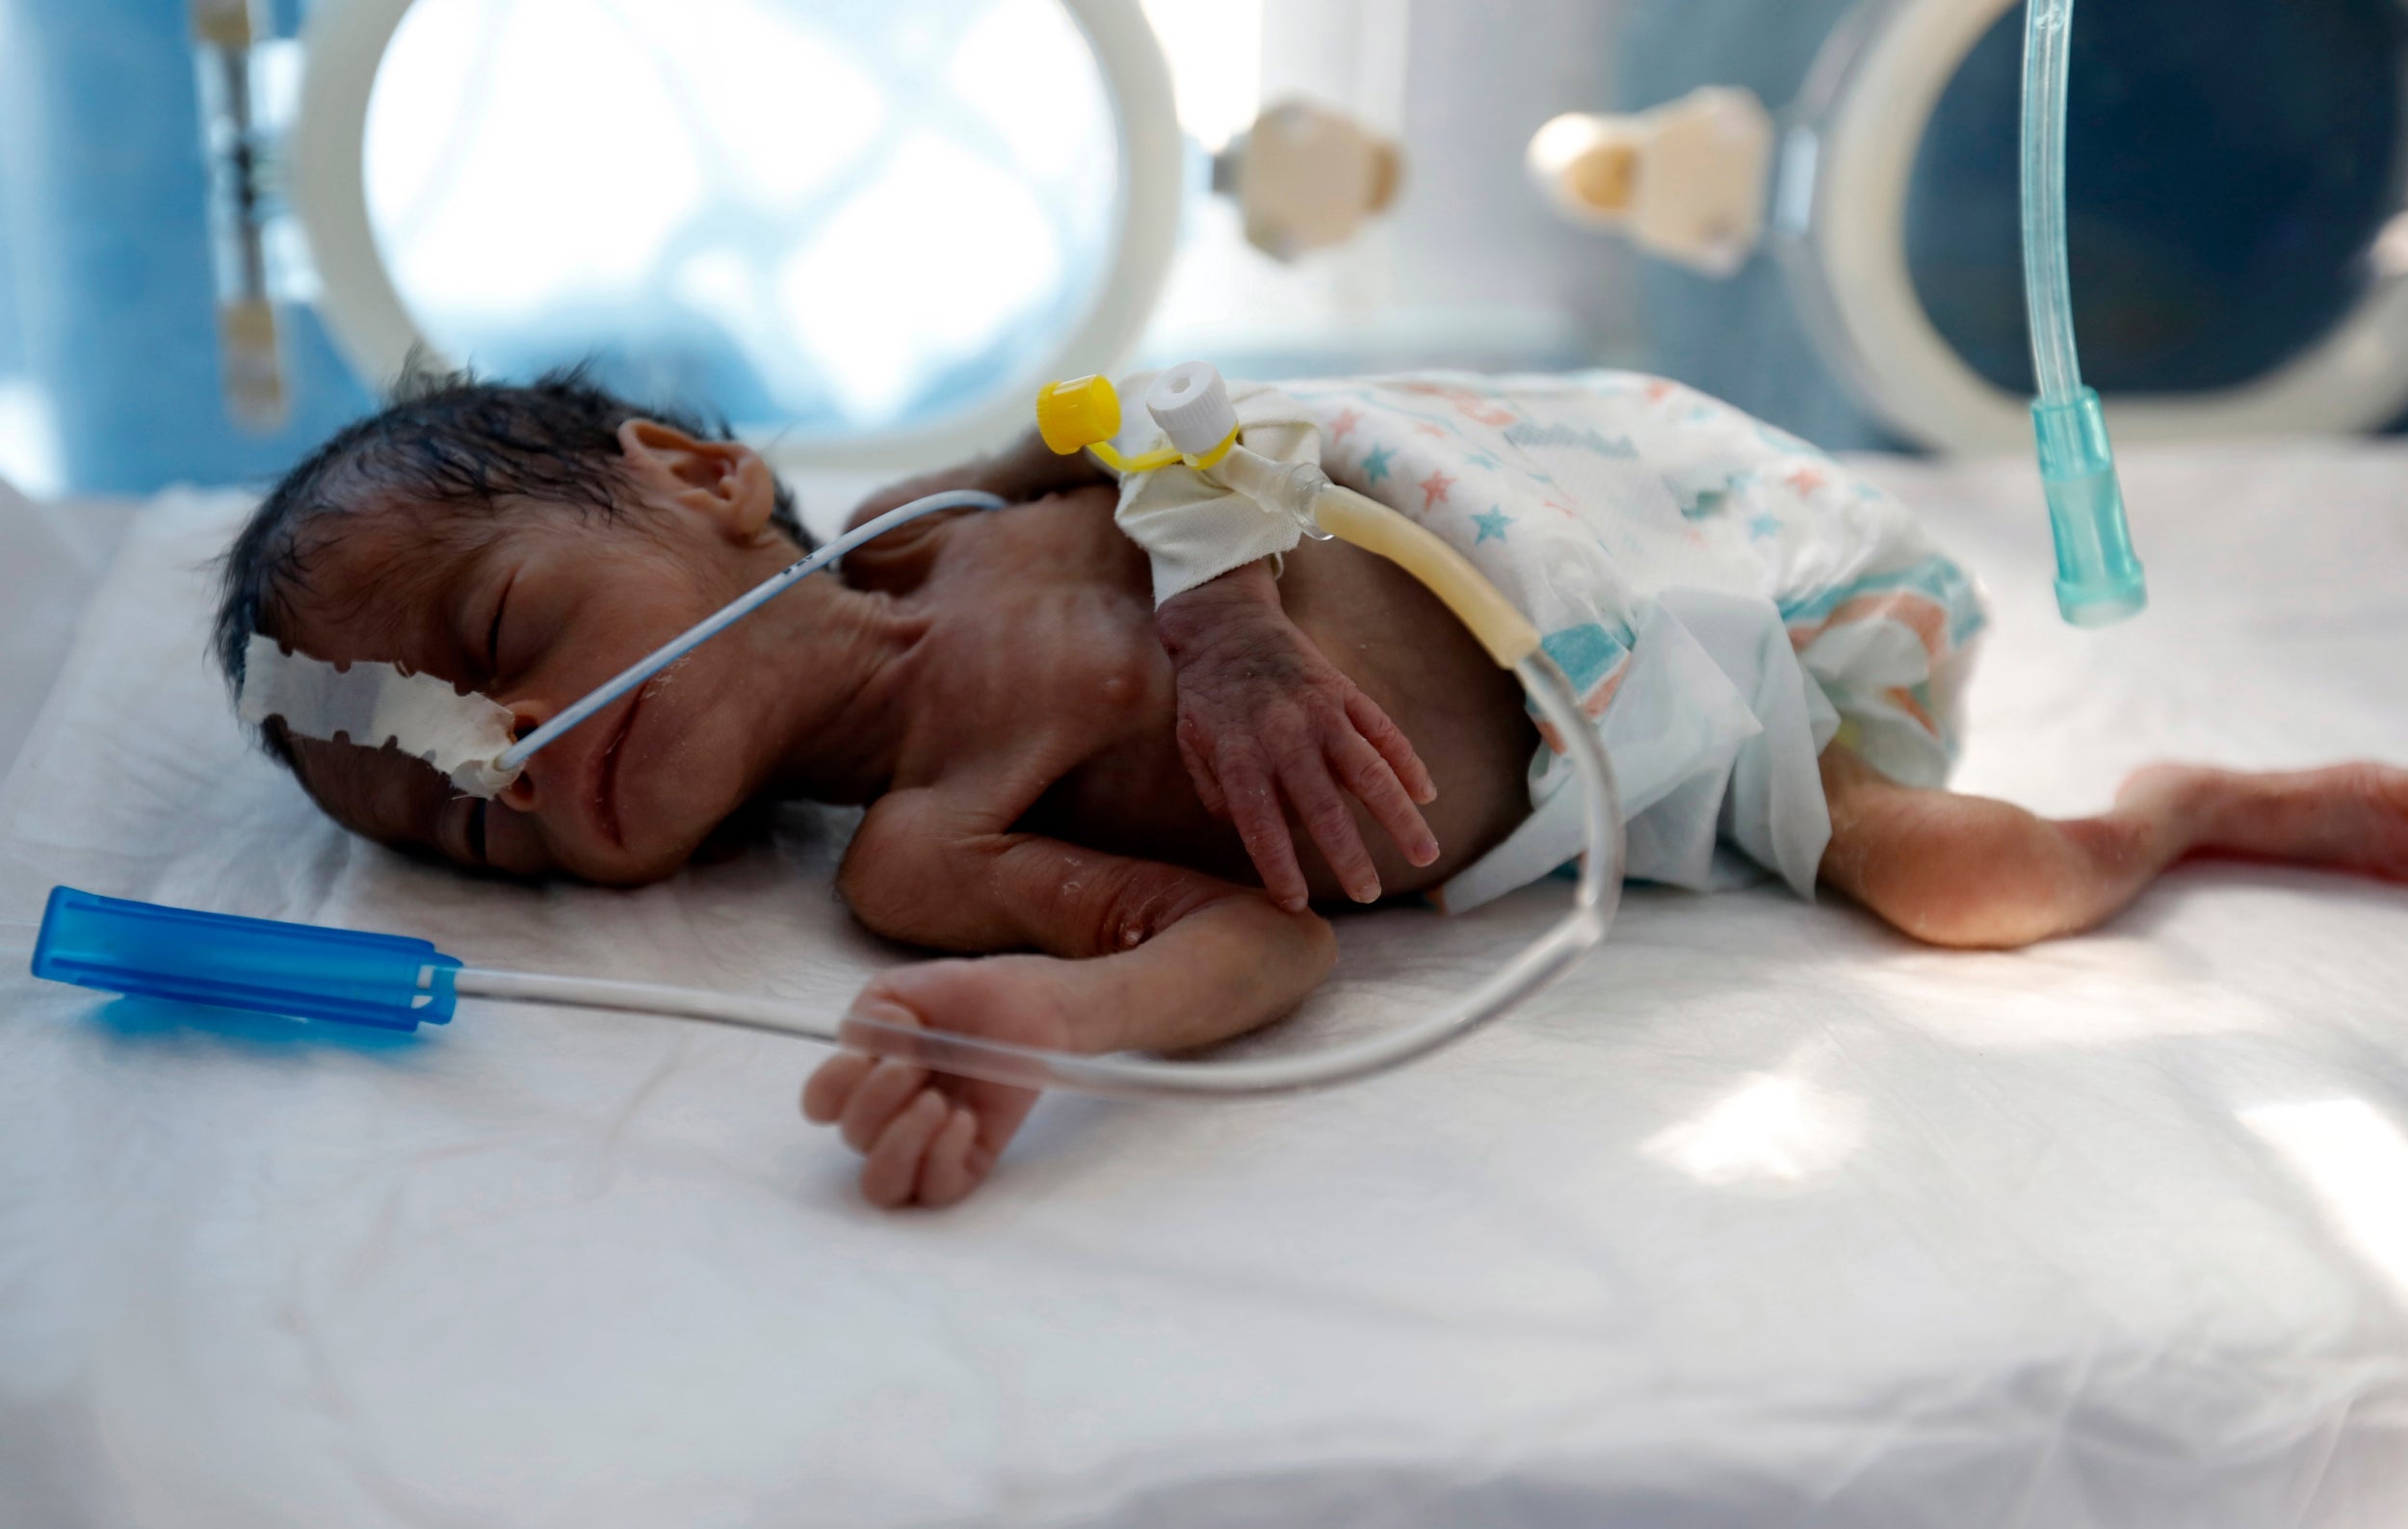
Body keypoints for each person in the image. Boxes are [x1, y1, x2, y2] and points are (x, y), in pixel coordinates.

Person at [214, 369, 2408, 1207]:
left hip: (1602, 536)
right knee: (1967, 878)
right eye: (466, 817)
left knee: (1223, 439)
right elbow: (1255, 932)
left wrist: (1229, 623)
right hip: (1668, 756)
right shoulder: (917, 857)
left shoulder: (942, 521)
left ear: (698, 478)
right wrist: (1056, 1023)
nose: (499, 756)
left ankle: (2197, 797)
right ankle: (2188, 808)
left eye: (494, 648)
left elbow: (1190, 426)